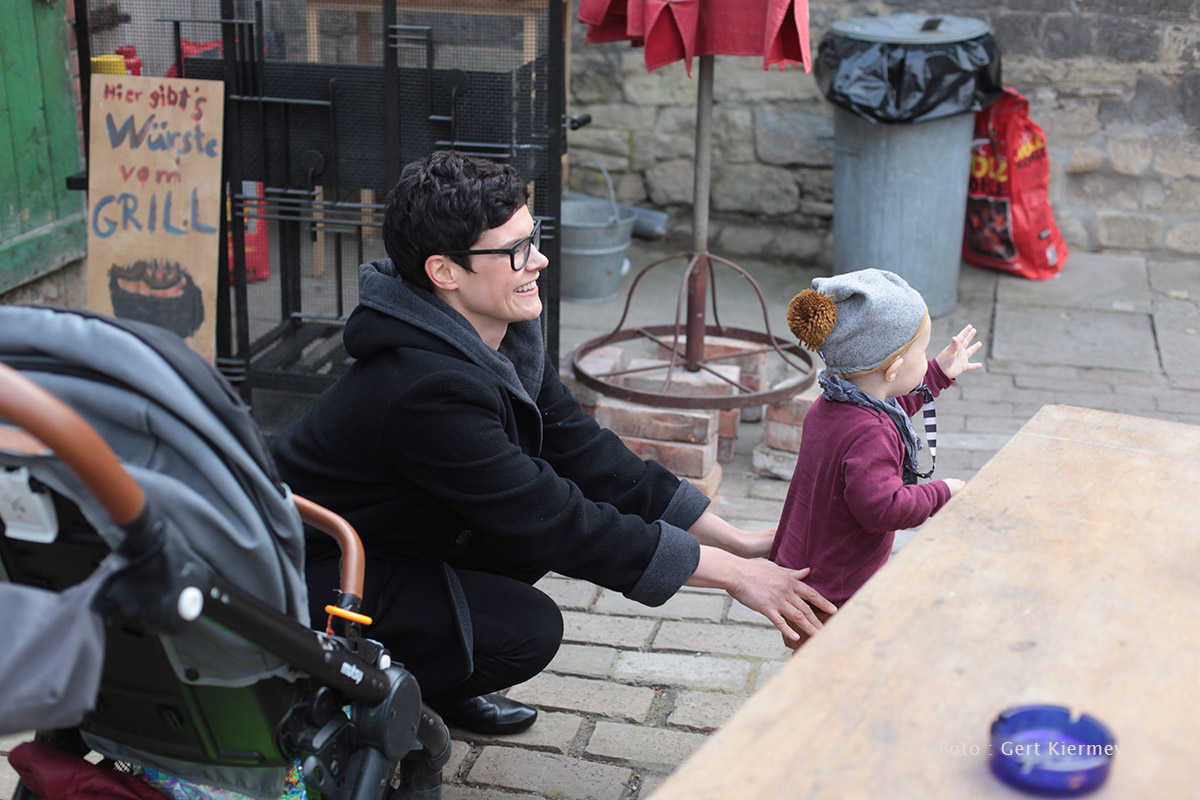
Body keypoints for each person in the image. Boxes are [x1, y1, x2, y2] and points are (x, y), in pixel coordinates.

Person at [271, 150, 835, 735]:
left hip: (393, 539)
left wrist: (734, 540)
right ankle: (387, 698)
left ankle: (433, 681)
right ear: (445, 272)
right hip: (313, 574)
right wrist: (733, 575)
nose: (539, 259)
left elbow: (582, 450)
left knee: (523, 539)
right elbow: (554, 519)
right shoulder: (423, 387)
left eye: (533, 236)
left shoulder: (499, 333)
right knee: (527, 628)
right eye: (515, 251)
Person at [769, 269, 982, 651]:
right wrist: (942, 492)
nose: (925, 361)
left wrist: (937, 373)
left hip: (807, 568)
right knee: (830, 672)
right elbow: (883, 508)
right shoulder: (871, 433)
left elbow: (886, 408)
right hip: (834, 593)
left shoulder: (834, 402)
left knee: (813, 666)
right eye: (922, 353)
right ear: (894, 369)